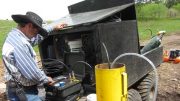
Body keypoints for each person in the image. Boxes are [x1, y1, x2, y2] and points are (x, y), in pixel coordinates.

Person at [2, 11, 67, 101]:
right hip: (24, 91)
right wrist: (46, 79)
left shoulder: (14, 36)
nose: (37, 33)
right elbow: (32, 73)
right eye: (37, 30)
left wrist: (53, 28)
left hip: (16, 88)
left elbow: (34, 40)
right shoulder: (20, 44)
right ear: (29, 26)